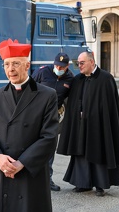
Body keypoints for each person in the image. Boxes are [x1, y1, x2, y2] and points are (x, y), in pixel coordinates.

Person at [0, 38, 59, 212]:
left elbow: (50, 136)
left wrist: (22, 163)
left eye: (15, 63)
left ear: (27, 65)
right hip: (4, 170)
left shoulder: (47, 95)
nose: (11, 69)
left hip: (30, 171)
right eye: (6, 64)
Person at [56, 50, 119, 197]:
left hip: (100, 125)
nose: (79, 66)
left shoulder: (106, 78)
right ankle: (83, 183)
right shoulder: (78, 79)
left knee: (100, 151)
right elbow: (74, 100)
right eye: (78, 64)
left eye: (82, 63)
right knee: (80, 152)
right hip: (81, 125)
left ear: (92, 62)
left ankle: (100, 184)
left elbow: (110, 107)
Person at [31, 52, 74, 191]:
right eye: (56, 65)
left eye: (62, 67)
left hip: (53, 117)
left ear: (67, 66)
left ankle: (47, 179)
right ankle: (31, 178)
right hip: (36, 115)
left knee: (49, 148)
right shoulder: (42, 72)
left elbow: (72, 98)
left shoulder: (70, 78)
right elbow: (28, 89)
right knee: (32, 146)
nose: (58, 68)